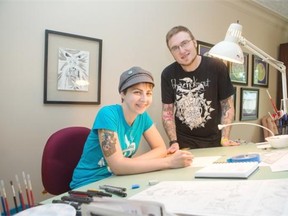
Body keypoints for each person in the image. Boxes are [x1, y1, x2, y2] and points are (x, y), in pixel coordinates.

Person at [70, 66, 193, 189]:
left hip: (117, 180)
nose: (144, 99)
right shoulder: (107, 114)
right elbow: (117, 167)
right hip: (88, 184)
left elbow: (160, 148)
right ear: (123, 93)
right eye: (137, 92)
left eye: (148, 93)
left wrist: (127, 164)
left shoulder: (143, 116)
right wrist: (169, 162)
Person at [161, 25, 239, 151]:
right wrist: (173, 141)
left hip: (214, 141)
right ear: (172, 53)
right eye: (175, 48)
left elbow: (227, 106)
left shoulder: (217, 67)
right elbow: (167, 112)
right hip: (183, 143)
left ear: (194, 43)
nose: (181, 50)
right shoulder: (167, 74)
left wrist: (224, 138)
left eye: (185, 43)